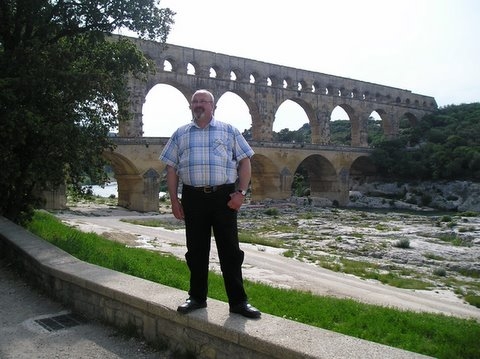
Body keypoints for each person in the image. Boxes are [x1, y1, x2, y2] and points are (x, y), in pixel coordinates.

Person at [159, 89, 261, 319]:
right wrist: (174, 199)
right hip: (193, 197)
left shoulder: (229, 130)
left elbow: (245, 161)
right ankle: (196, 297)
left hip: (223, 197)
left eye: (203, 101)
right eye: (195, 101)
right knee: (195, 251)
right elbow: (171, 167)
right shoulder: (180, 134)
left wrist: (241, 193)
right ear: (191, 106)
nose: (198, 104)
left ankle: (238, 301)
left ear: (213, 106)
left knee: (230, 251)